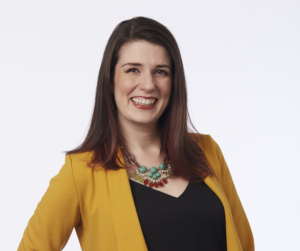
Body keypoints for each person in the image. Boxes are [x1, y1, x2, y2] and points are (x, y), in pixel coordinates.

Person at [18, 17, 254, 251]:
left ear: (174, 82)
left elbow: (244, 243)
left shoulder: (207, 150)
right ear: (110, 81)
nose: (148, 84)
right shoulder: (82, 170)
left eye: (160, 71)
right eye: (133, 70)